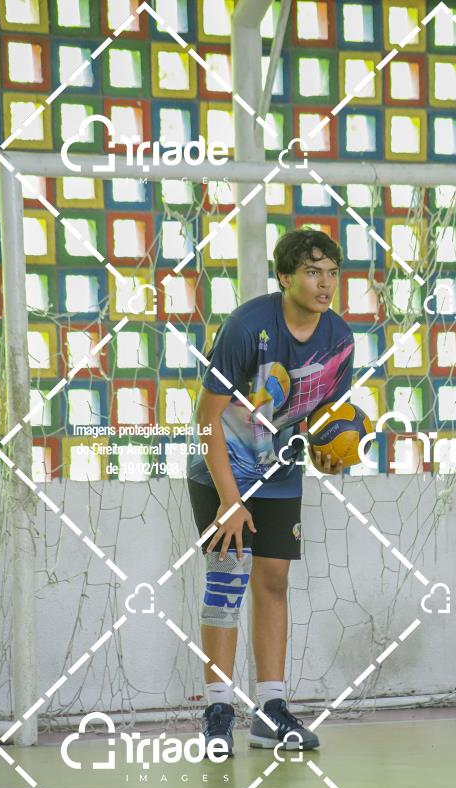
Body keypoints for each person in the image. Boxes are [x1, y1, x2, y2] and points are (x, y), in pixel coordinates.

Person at [187, 228, 354, 755]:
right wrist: (230, 500)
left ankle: (270, 710)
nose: (325, 283)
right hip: (223, 467)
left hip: (279, 471)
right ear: (285, 277)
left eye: (331, 273)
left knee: (274, 580)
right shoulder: (247, 326)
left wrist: (328, 452)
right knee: (227, 578)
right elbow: (206, 419)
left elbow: (325, 420)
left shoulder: (339, 339)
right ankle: (218, 710)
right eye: (312, 272)